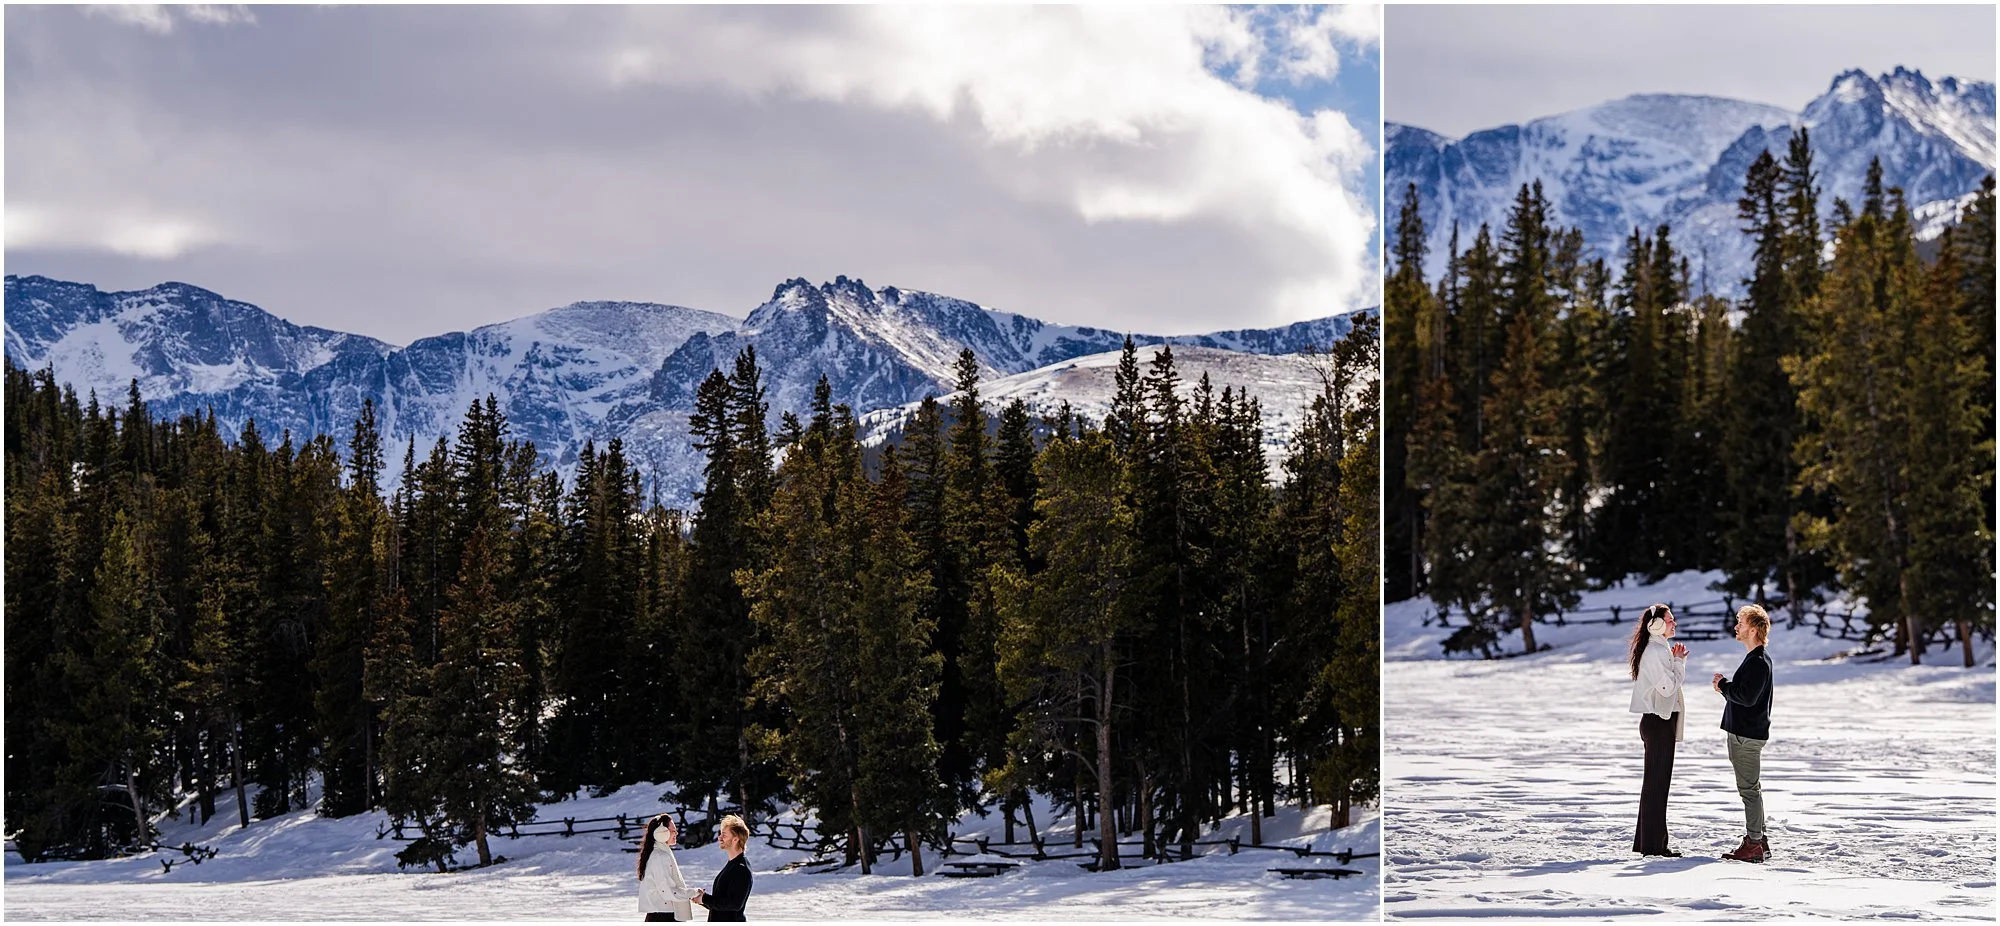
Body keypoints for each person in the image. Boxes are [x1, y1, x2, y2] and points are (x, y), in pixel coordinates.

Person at [1713, 604, 1774, 863]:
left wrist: (1723, 686)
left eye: (1741, 622)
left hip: (1746, 736)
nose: (1736, 626)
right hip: (1746, 734)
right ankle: (1760, 840)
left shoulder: (1759, 661)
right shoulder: (1755, 658)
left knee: (1749, 791)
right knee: (1752, 789)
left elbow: (1746, 697)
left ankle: (1754, 844)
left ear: (1754, 629)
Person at [1628, 603, 1688, 857]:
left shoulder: (1658, 649)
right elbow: (1667, 688)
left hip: (1660, 721)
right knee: (1656, 785)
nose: (1674, 623)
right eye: (1670, 620)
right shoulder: (1655, 652)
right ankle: (1654, 847)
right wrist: (1679, 663)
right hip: (1658, 722)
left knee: (1655, 784)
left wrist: (1674, 661)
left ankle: (1646, 843)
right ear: (1657, 624)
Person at [693, 814, 753, 922]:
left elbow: (734, 904)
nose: (719, 837)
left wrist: (705, 898)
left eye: (724, 835)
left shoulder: (741, 869)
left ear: (735, 840)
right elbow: (722, 905)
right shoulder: (732, 865)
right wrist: (703, 899)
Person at [637, 814, 698, 922]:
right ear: (661, 832)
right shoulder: (659, 856)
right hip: (663, 916)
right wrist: (694, 892)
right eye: (673, 830)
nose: (676, 833)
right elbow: (667, 891)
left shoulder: (661, 853)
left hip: (663, 915)